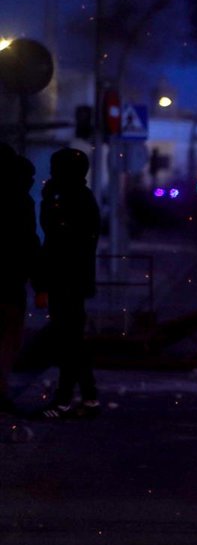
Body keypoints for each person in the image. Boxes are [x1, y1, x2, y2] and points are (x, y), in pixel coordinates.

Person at [37, 147, 102, 418]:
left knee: (68, 340)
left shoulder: (73, 198)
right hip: (70, 277)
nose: (51, 172)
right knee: (72, 339)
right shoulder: (73, 196)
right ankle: (89, 397)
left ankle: (64, 401)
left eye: (56, 167)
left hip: (68, 278)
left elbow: (60, 242)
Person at [0, 146, 42, 413]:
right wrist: (40, 283)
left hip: (10, 278)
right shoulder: (20, 200)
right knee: (8, 337)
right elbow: (29, 242)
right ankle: (1, 389)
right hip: (10, 279)